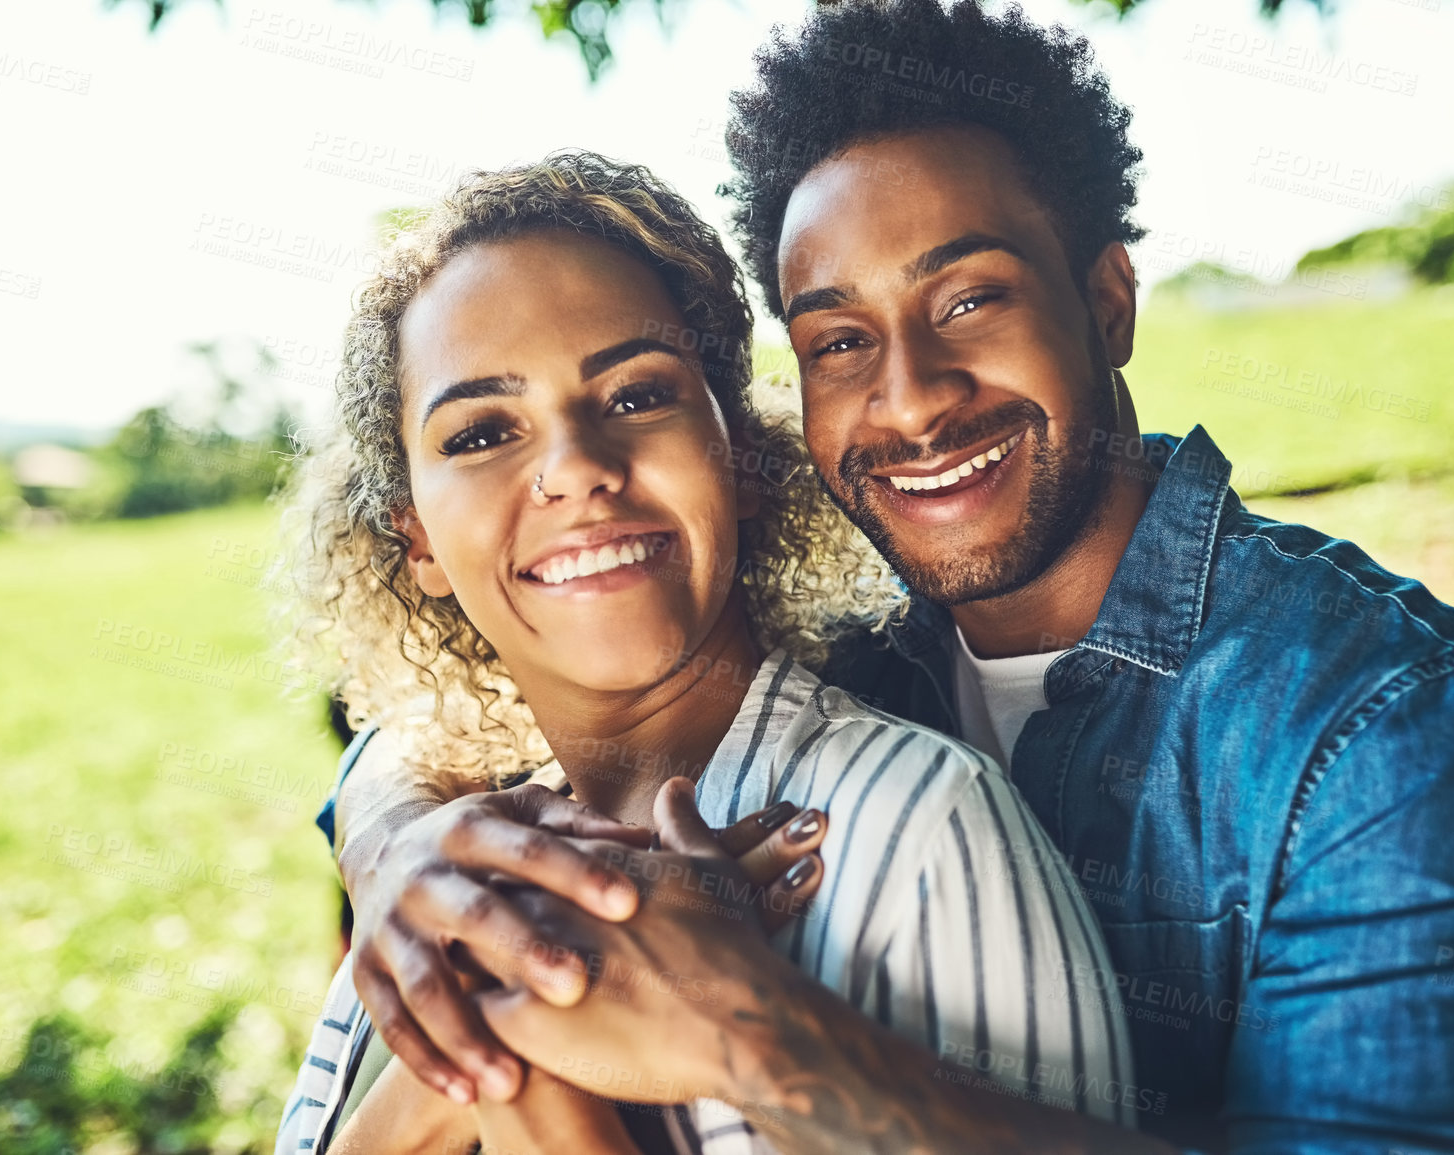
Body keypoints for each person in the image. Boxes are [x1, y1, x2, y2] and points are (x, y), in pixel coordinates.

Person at [321, 3, 1454, 1151]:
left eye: (969, 300)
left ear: (1108, 303)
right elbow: (415, 746)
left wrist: (751, 1036)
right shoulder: (867, 641)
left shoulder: (1376, 716)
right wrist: (395, 848)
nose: (911, 397)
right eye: (841, 340)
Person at [274, 149, 1136, 1154]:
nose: (578, 470)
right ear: (415, 537)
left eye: (637, 395)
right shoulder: (435, 888)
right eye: (480, 433)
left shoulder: (913, 826)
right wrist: (484, 1041)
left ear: (748, 459)